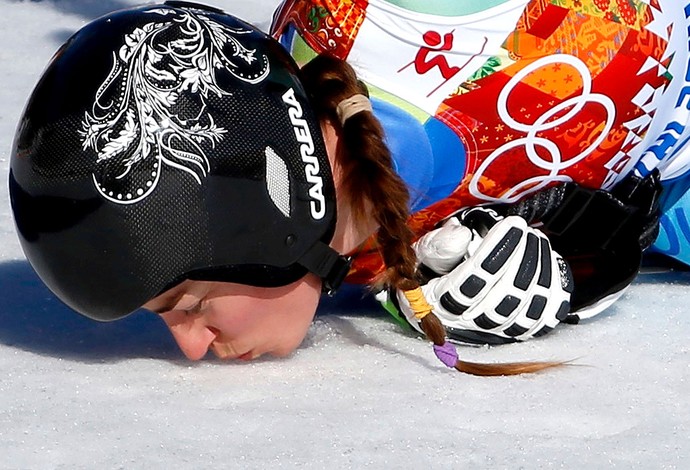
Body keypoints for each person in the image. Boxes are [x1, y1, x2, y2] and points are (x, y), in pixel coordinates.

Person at [7, 1, 682, 374]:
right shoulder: (334, 200)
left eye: (188, 302)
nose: (190, 344)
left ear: (271, 222)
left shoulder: (421, 22)